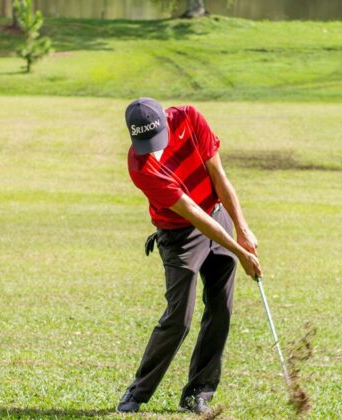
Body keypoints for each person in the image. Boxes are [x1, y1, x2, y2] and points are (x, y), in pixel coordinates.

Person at [117, 98, 262, 415]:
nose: (153, 149)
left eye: (156, 140)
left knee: (221, 309)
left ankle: (199, 392)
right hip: (179, 235)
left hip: (217, 215)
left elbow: (219, 176)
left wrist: (243, 229)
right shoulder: (140, 167)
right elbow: (193, 214)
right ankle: (138, 392)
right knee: (179, 317)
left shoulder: (190, 119)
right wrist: (240, 253)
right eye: (145, 144)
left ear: (165, 122)